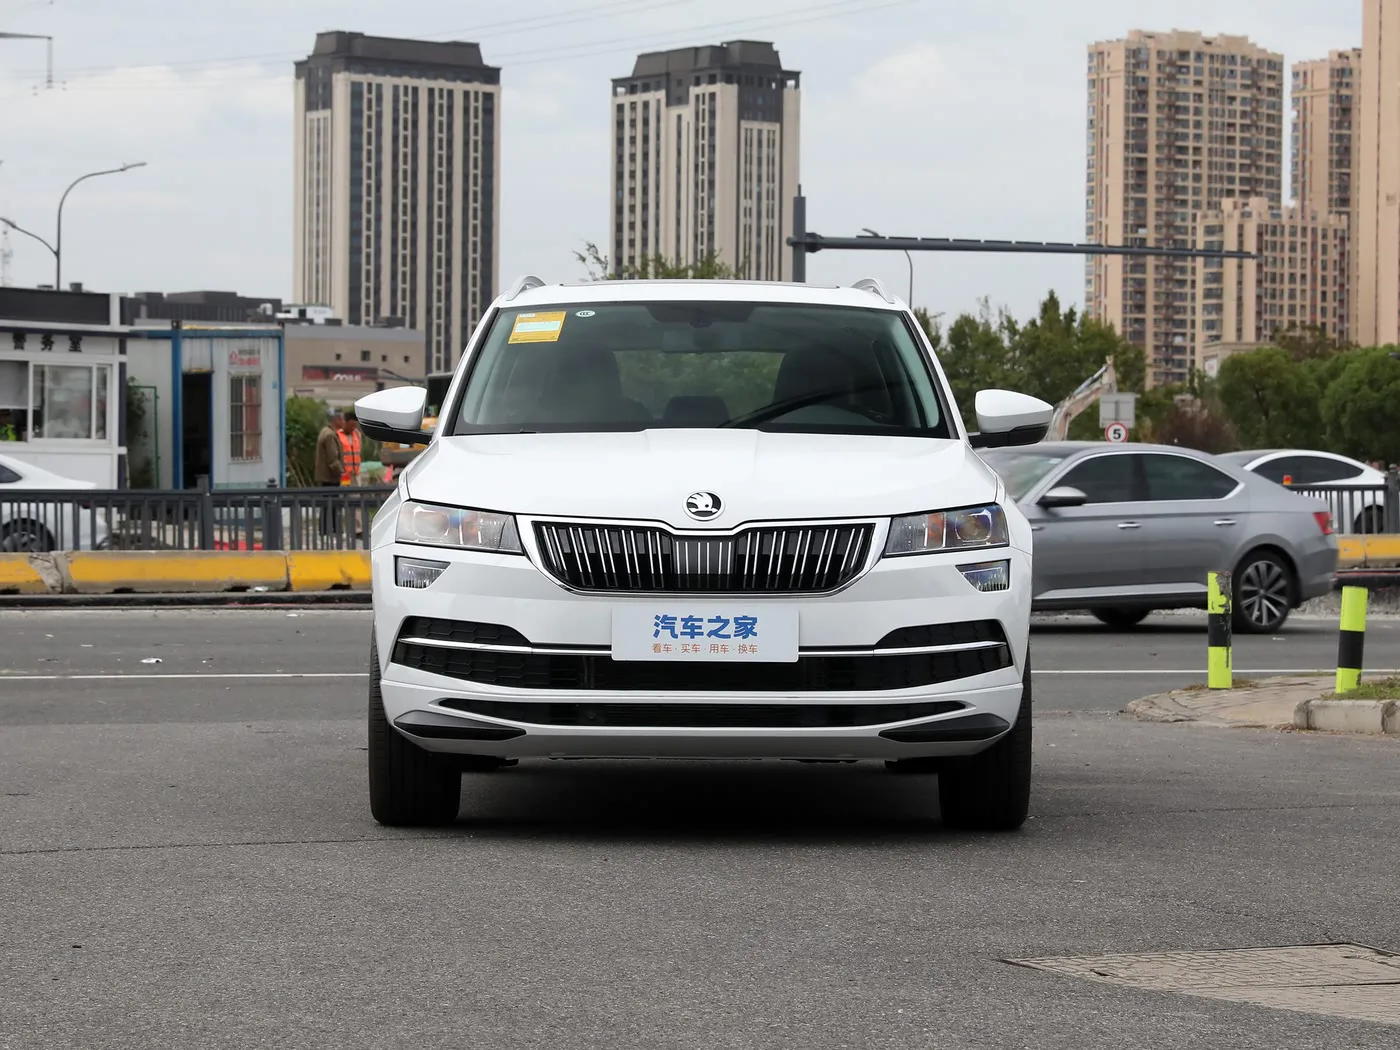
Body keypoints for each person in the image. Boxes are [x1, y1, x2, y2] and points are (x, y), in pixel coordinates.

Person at [314, 411, 345, 537]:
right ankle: (331, 529)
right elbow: (333, 459)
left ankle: (325, 529)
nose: (343, 422)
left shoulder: (324, 432)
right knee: (332, 504)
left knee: (326, 505)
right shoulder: (330, 435)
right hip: (330, 477)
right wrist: (342, 472)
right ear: (336, 420)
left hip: (324, 476)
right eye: (341, 419)